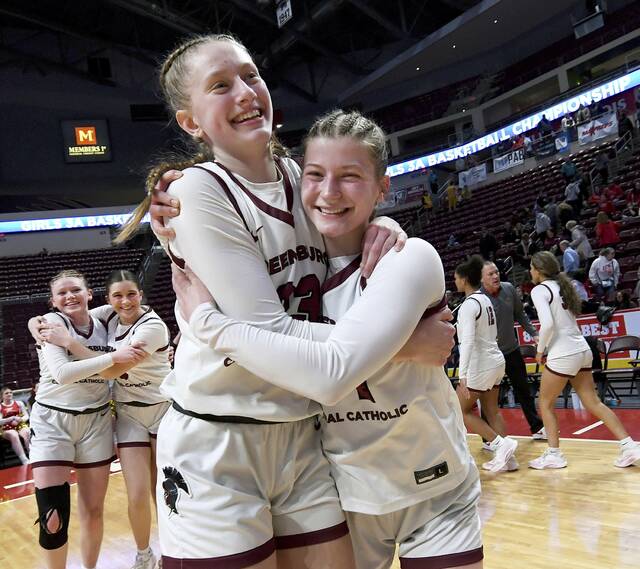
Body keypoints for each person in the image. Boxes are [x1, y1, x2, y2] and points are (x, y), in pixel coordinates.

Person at [116, 33, 448, 569]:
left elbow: (351, 240)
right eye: (221, 85)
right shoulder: (197, 192)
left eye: (250, 75)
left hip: (304, 435)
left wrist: (381, 226)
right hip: (218, 441)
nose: (245, 92)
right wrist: (403, 345)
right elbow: (266, 335)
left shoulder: (303, 178)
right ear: (191, 123)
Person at [170, 109, 483, 569]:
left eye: (351, 177)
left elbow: (333, 369)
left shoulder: (407, 256)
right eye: (316, 175)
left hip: (434, 489)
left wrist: (208, 322)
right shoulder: (286, 272)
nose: (330, 192)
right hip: (345, 493)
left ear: (383, 187)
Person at [33, 270, 172, 569]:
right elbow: (61, 372)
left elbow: (111, 372)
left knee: (154, 492)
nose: (70, 297)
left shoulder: (140, 324)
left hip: (138, 412)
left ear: (89, 294)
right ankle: (144, 554)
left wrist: (71, 343)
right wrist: (37, 324)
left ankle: (170, 552)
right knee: (53, 515)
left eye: (76, 290)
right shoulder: (71, 321)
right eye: (62, 293)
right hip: (58, 419)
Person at [528, 251, 640, 469]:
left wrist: (540, 351)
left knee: (545, 402)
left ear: (539, 270)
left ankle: (554, 454)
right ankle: (629, 446)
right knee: (593, 402)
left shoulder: (539, 290)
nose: (530, 272)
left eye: (532, 267)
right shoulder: (563, 286)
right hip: (582, 349)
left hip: (563, 353)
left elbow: (548, 325)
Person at [454, 256, 517, 473]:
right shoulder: (486, 300)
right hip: (496, 360)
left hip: (481, 364)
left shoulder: (468, 305)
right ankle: (510, 460)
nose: (455, 282)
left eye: (456, 278)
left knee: (459, 409)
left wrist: (462, 373)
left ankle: (500, 444)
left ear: (464, 280)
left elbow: (468, 341)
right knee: (492, 410)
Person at [480, 263, 545, 439]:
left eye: (497, 272)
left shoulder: (508, 289)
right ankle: (488, 438)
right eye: (490, 274)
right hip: (490, 356)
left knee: (524, 390)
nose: (495, 276)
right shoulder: (477, 299)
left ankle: (537, 428)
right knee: (489, 399)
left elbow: (521, 315)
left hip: (511, 351)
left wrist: (534, 333)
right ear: (481, 278)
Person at [1, 386, 30, 465]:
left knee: (27, 432)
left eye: (11, 392)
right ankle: (24, 459)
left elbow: (26, 416)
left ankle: (32, 455)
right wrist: (11, 419)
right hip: (5, 428)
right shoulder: (0, 406)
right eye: (6, 393)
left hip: (19, 424)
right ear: (2, 395)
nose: (9, 394)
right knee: (14, 434)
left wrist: (20, 420)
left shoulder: (19, 403)